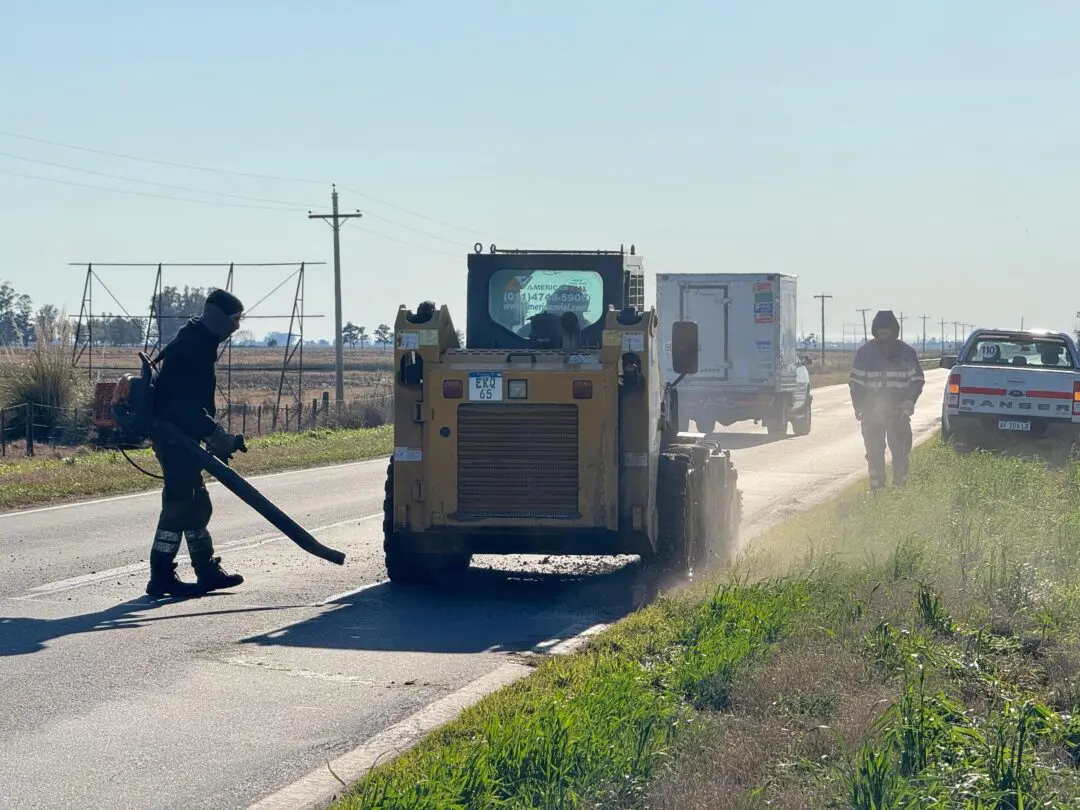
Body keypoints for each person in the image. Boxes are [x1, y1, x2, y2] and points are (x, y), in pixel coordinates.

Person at [145, 288, 248, 597]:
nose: (237, 327)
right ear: (219, 318)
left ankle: (206, 571)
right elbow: (185, 406)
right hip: (175, 436)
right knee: (179, 503)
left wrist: (209, 435)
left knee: (196, 502)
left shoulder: (197, 340)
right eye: (235, 320)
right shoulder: (194, 347)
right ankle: (161, 575)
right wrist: (216, 434)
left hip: (182, 435)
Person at [849, 310, 925, 490]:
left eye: (887, 331)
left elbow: (917, 380)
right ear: (874, 331)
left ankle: (900, 488)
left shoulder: (906, 353)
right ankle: (877, 490)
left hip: (898, 412)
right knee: (874, 453)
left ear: (894, 331)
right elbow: (856, 383)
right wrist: (858, 406)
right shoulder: (864, 354)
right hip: (872, 413)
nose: (883, 334)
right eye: (880, 331)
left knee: (900, 452)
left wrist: (909, 401)